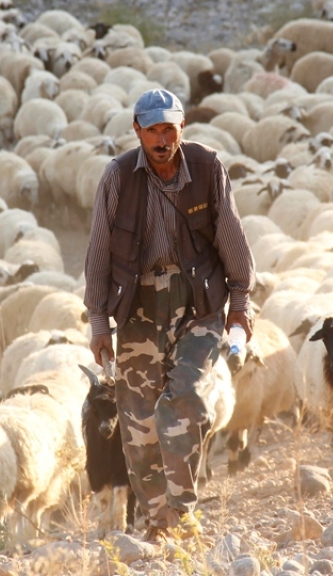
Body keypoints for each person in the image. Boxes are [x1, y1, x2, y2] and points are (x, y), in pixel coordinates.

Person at [83, 88, 255, 540]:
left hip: (198, 302)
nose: (163, 140)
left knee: (186, 401)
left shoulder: (206, 167)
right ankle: (158, 524)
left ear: (183, 129)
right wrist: (98, 321)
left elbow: (232, 238)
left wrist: (240, 306)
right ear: (137, 131)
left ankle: (183, 516)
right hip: (139, 306)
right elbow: (99, 251)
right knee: (138, 420)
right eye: (153, 130)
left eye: (170, 129)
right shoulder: (119, 177)